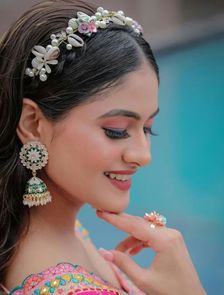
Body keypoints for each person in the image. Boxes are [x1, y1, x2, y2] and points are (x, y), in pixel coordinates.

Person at [0, 0, 207, 294]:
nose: (143, 155)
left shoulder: (61, 230)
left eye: (148, 128)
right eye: (117, 130)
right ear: (33, 124)